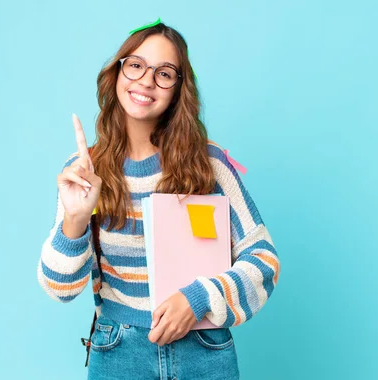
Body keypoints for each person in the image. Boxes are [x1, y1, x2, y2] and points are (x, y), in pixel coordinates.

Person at [37, 20, 280, 380]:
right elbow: (59, 289)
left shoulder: (210, 165)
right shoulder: (85, 172)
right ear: (117, 72)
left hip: (205, 348)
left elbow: (264, 261)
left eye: (164, 73)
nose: (146, 81)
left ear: (179, 89)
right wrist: (74, 220)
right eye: (136, 65)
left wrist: (197, 299)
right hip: (118, 350)